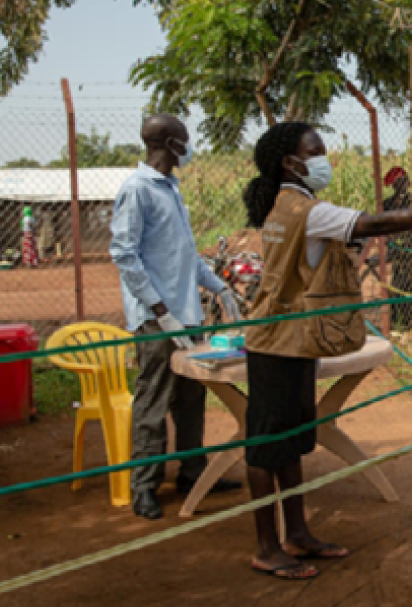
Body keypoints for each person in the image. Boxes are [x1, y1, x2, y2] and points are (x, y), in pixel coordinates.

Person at [240, 122, 412, 580]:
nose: (323, 158)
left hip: (289, 340)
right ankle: (266, 546)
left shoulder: (290, 205)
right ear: (290, 163)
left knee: (292, 441)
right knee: (264, 447)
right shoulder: (305, 209)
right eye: (314, 151)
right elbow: (378, 223)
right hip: (276, 343)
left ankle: (295, 533)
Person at [110, 114, 244, 521]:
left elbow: (186, 255)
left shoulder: (171, 189)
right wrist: (160, 310)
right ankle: (145, 486)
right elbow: (125, 255)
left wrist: (219, 287)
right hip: (158, 320)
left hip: (187, 315)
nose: (189, 146)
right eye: (185, 140)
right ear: (171, 144)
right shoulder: (137, 190)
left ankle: (192, 471)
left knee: (191, 398)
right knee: (154, 399)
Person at [382, 166, 412, 332]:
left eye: (404, 183)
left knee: (407, 283)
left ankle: (407, 321)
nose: (402, 187)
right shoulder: (388, 204)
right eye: (398, 184)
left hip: (409, 249)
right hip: (394, 249)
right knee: (396, 282)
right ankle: (396, 321)